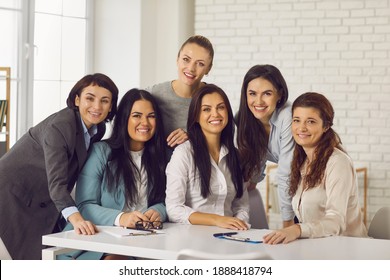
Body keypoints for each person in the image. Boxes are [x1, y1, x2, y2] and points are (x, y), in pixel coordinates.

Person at [0, 73, 119, 259]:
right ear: (77, 99)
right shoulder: (60, 127)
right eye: (90, 98)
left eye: (105, 101)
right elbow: (57, 183)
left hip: (40, 195)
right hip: (11, 192)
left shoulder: (98, 129)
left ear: (111, 106)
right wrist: (77, 218)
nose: (97, 107)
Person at [59, 88, 168, 260]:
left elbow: (168, 201)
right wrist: (121, 218)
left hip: (145, 240)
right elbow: (85, 205)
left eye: (151, 116)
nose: (145, 122)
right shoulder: (101, 152)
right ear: (124, 119)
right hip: (100, 238)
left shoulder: (162, 157)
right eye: (137, 115)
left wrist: (159, 210)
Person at [263, 92, 368, 244]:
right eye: (296, 120)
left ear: (325, 126)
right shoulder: (302, 161)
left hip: (347, 249)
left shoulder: (338, 163)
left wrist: (297, 229)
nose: (301, 128)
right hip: (317, 247)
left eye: (310, 122)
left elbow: (335, 221)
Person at [166, 84, 249, 230]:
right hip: (193, 239)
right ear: (196, 116)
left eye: (221, 107)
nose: (215, 114)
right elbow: (174, 209)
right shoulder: (183, 154)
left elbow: (241, 206)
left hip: (230, 238)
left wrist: (238, 226)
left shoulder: (235, 155)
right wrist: (217, 220)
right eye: (206, 109)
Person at [236, 64, 295, 228]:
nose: (259, 101)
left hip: (314, 186)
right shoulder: (246, 120)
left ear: (279, 94)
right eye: (252, 94)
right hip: (297, 188)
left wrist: (287, 221)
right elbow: (257, 157)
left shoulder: (287, 116)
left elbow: (286, 172)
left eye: (267, 94)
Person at [146, 35, 214, 150]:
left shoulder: (214, 98)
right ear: (177, 59)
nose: (191, 68)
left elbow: (226, 136)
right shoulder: (155, 94)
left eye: (200, 64)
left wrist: (192, 137)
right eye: (186, 59)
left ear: (208, 68)